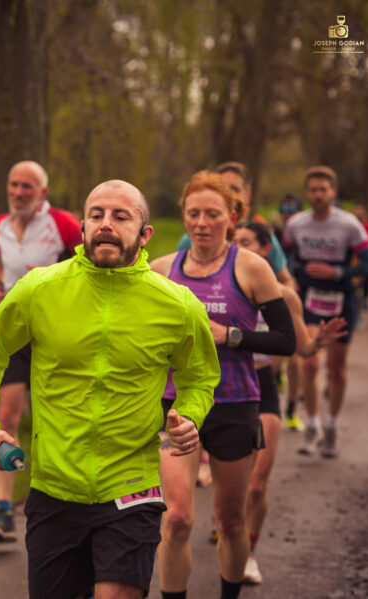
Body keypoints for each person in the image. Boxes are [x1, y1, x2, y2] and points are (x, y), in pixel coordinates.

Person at [0, 179, 220, 599]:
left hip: (132, 485)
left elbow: (200, 376)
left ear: (145, 233)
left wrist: (190, 415)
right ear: (82, 227)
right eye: (96, 215)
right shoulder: (40, 289)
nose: (106, 224)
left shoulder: (178, 305)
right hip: (54, 487)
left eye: (121, 216)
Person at [151, 171, 296, 599]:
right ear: (183, 216)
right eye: (193, 213)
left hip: (234, 403)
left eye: (212, 214)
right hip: (176, 406)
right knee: (176, 517)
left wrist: (230, 335)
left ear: (232, 217)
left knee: (231, 522)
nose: (201, 222)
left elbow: (284, 340)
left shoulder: (251, 267)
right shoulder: (161, 270)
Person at [232, 221, 346, 585]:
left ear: (267, 250)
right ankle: (230, 537)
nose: (238, 248)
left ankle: (249, 553)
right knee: (229, 493)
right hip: (224, 391)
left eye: (246, 242)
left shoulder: (284, 295)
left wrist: (318, 344)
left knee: (257, 484)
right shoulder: (221, 287)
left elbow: (301, 348)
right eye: (234, 242)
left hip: (263, 389)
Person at [0, 160, 81, 542]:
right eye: (14, 184)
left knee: (59, 419)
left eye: (28, 186)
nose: (19, 191)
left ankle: (67, 502)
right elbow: (3, 267)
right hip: (15, 333)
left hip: (57, 335)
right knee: (6, 415)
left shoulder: (64, 225)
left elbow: (92, 268)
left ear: (43, 194)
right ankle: (4, 511)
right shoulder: (1, 224)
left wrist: (56, 286)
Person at [283, 166, 368, 458]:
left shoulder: (348, 225)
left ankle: (332, 426)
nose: (318, 195)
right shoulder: (297, 223)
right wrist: (290, 277)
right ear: (308, 193)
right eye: (313, 190)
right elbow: (286, 255)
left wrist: (337, 271)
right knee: (309, 363)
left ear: (333, 192)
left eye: (323, 189)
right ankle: (312, 425)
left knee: (336, 369)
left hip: (340, 301)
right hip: (308, 300)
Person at [176, 162, 296, 288]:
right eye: (222, 187)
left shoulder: (264, 237)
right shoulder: (190, 239)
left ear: (247, 197)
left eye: (235, 189)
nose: (229, 194)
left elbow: (288, 282)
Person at [274, 194, 305, 430]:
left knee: (297, 359)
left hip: (298, 299)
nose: (287, 213)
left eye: (292, 209)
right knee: (274, 363)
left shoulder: (305, 236)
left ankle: (292, 409)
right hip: (272, 301)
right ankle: (275, 384)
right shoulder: (273, 237)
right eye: (284, 208)